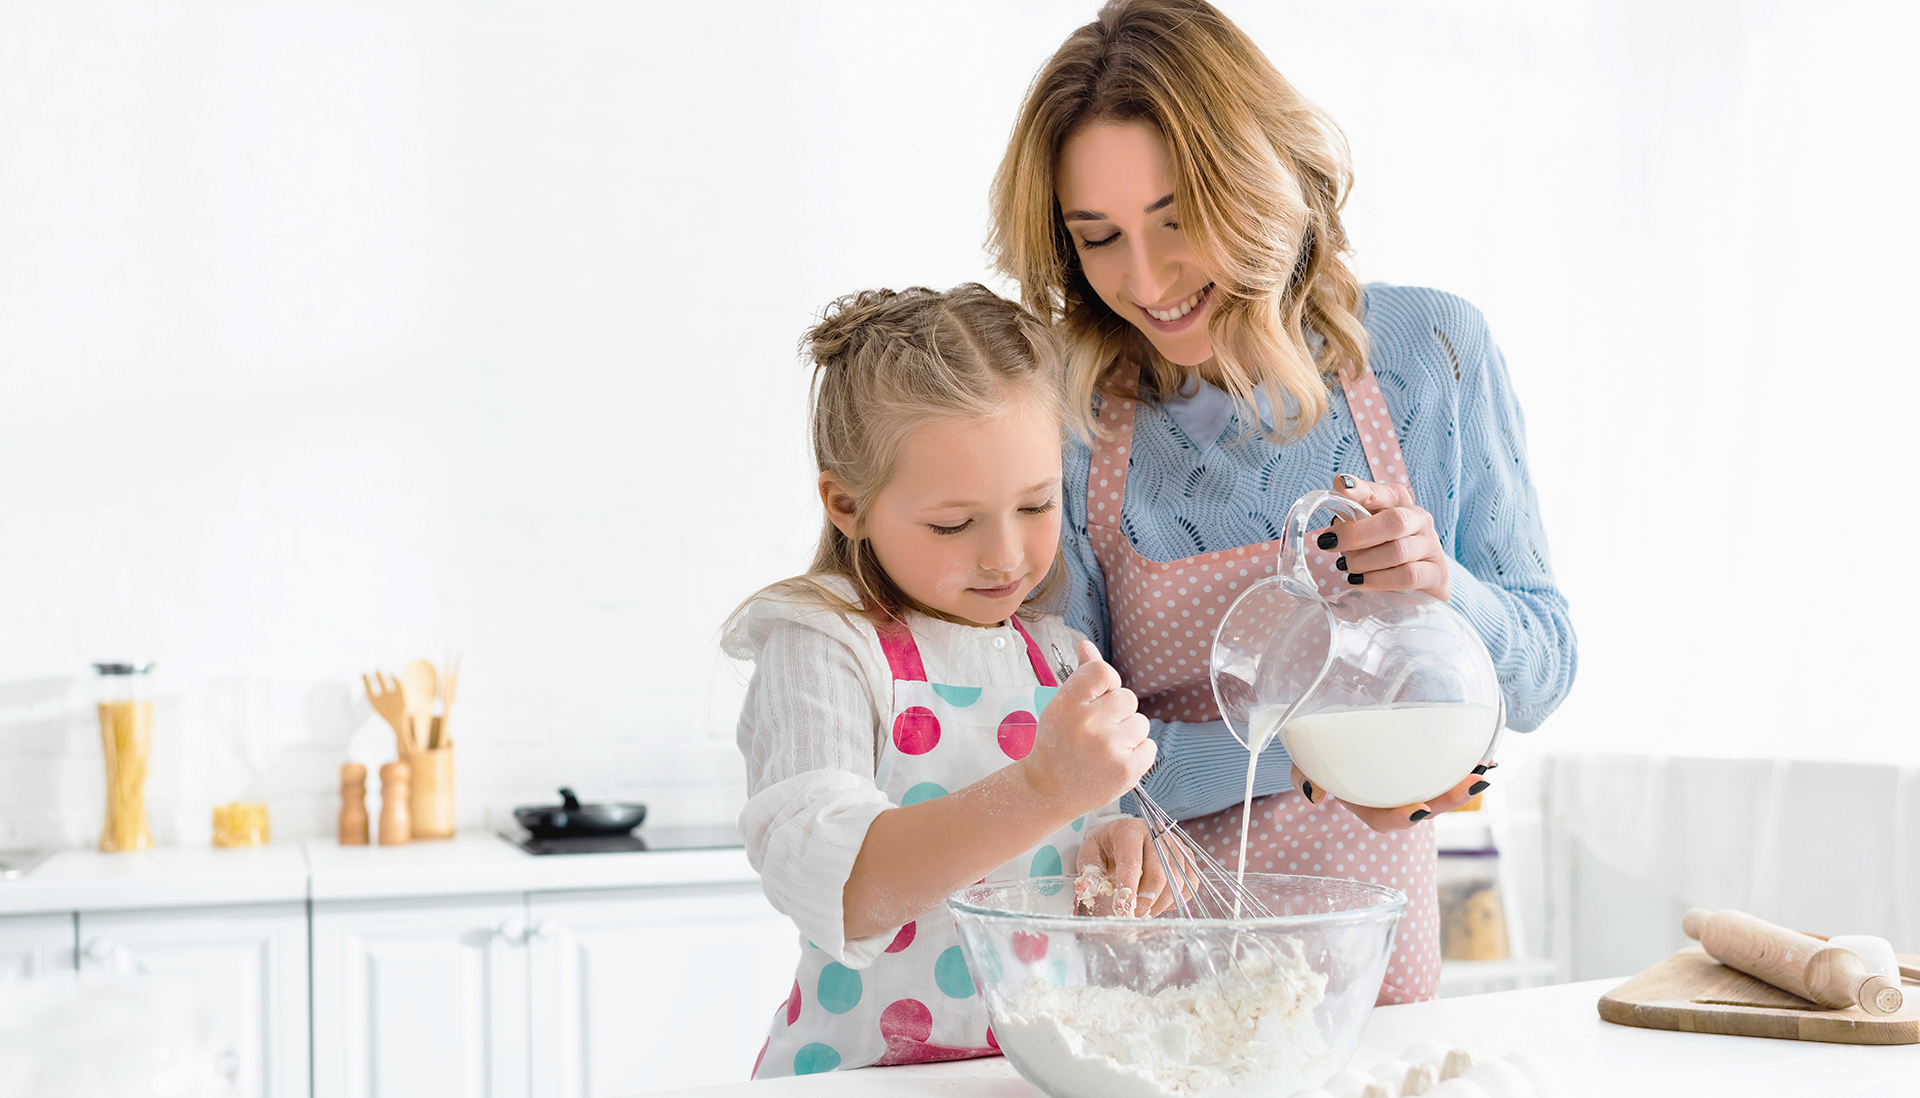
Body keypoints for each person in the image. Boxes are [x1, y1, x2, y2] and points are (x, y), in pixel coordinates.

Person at [988, 0, 1577, 1004]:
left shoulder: (1430, 356)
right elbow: (1079, 763)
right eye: (1099, 238)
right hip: (1146, 989)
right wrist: (1333, 766)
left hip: (1369, 982)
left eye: (1178, 220)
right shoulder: (1071, 412)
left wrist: (1448, 592)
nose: (1146, 279)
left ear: (1258, 179)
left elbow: (1540, 676)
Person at [726, 284, 1168, 1078]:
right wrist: (1042, 788)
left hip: (1033, 1075)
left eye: (1036, 506)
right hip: (862, 1077)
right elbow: (852, 892)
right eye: (953, 524)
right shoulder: (823, 644)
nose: (1004, 555)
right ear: (847, 504)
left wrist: (1116, 853)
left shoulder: (1057, 656)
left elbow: (1078, 850)